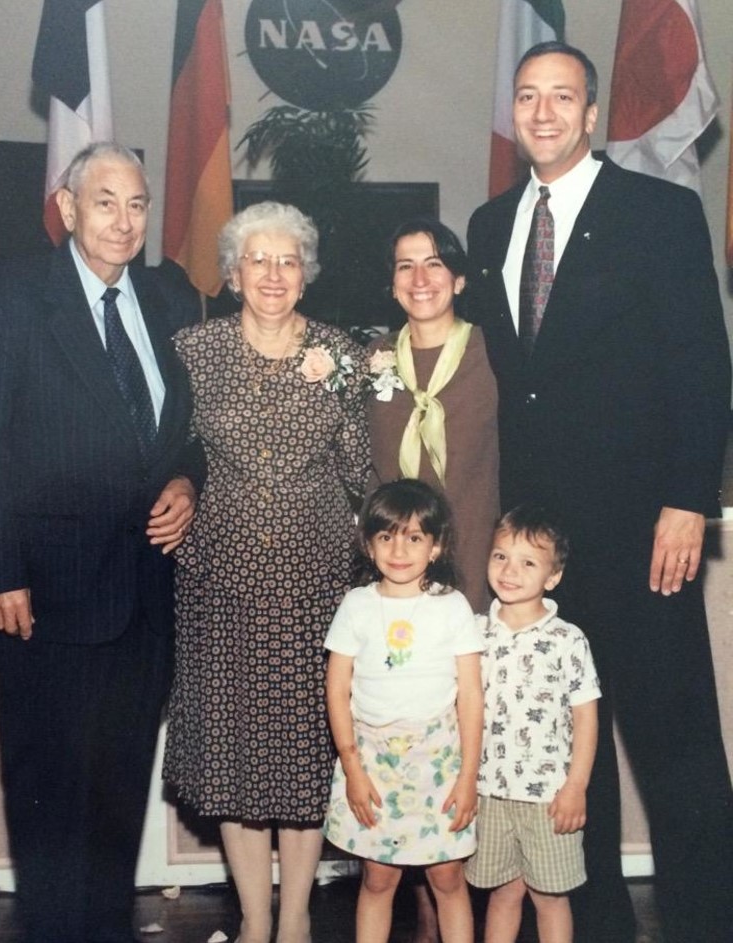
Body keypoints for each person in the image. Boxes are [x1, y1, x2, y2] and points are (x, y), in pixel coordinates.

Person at [465, 40, 733, 943]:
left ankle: (709, 922)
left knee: (676, 744)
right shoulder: (490, 223)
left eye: (562, 98)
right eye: (528, 97)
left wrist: (689, 498)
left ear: (590, 115)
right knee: (562, 754)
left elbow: (703, 365)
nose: (543, 113)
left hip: (646, 530)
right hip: (541, 548)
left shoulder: (658, 212)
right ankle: (599, 928)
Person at [0, 142, 205, 943]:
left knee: (118, 795)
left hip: (145, 601)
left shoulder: (166, 300)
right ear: (65, 208)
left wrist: (188, 482)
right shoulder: (2, 297)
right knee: (50, 798)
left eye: (137, 204)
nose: (124, 221)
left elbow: (183, 431)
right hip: (43, 600)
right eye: (104, 202)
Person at [162, 201, 370, 943]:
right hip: (218, 583)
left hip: (315, 588)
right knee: (234, 753)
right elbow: (170, 453)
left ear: (306, 276)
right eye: (258, 259)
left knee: (304, 755)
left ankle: (295, 918)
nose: (273, 274)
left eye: (288, 261)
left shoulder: (339, 354)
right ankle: (253, 921)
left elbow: (361, 473)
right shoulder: (192, 350)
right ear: (231, 273)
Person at [324, 479, 484, 943]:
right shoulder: (356, 606)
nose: (399, 548)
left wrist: (468, 776)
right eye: (387, 535)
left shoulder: (452, 607)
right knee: (378, 880)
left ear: (436, 546)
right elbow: (337, 692)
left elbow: (471, 696)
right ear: (369, 543)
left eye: (414, 537)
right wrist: (352, 768)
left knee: (448, 880)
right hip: (373, 764)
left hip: (440, 763)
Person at [466, 505, 600, 943]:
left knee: (550, 897)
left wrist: (576, 786)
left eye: (528, 562)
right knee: (503, 893)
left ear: (553, 576)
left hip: (549, 797)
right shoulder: (474, 632)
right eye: (501, 556)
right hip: (489, 792)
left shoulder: (567, 639)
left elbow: (585, 717)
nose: (510, 570)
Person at [366, 217, 499, 613]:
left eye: (435, 263)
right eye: (405, 266)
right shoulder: (372, 357)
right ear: (393, 285)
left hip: (476, 560)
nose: (419, 278)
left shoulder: (493, 352)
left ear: (459, 280)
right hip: (393, 566)